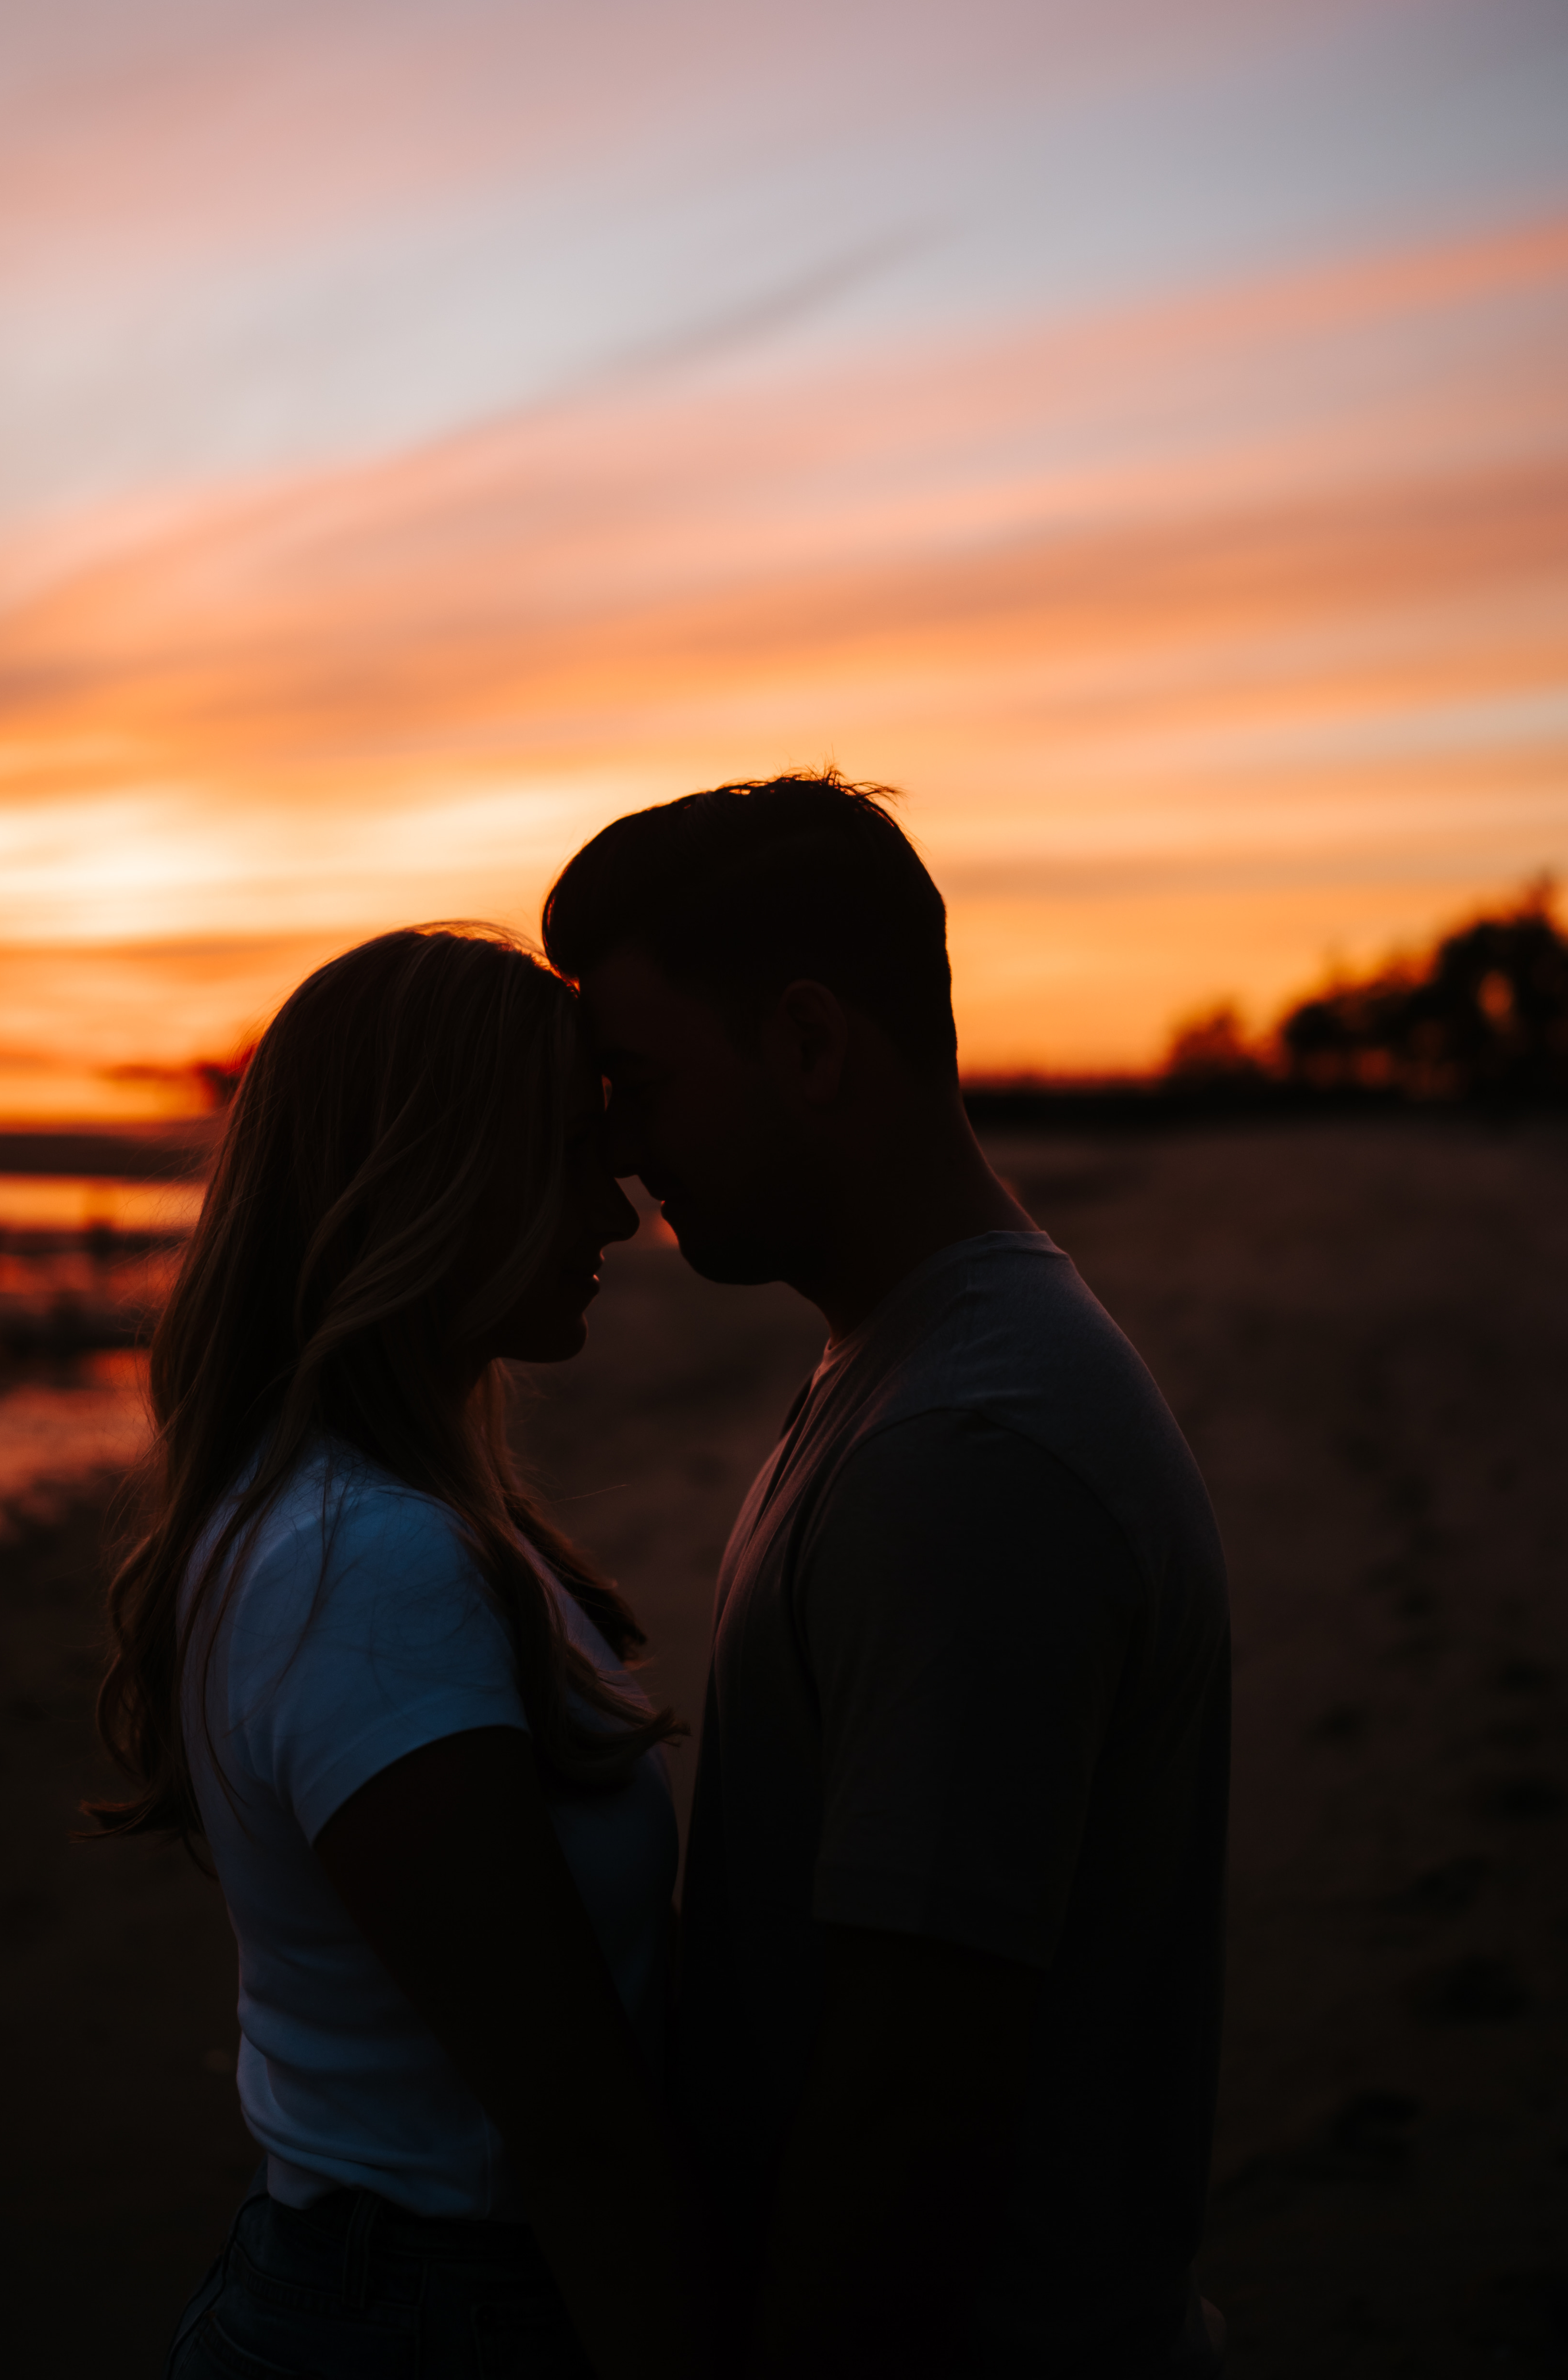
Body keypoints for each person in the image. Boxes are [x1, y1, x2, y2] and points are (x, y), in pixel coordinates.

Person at [542, 774, 1231, 2380]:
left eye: (638, 1084)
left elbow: (911, 2092)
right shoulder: (914, 1370)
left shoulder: (971, 1443)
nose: (624, 1158)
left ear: (807, 1043)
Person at [88, 926, 708, 2380]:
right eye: (567, 1152)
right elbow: (574, 2128)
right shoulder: (367, 1567)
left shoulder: (335, 1517)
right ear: (435, 1180)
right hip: (440, 2319)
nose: (618, 1215)